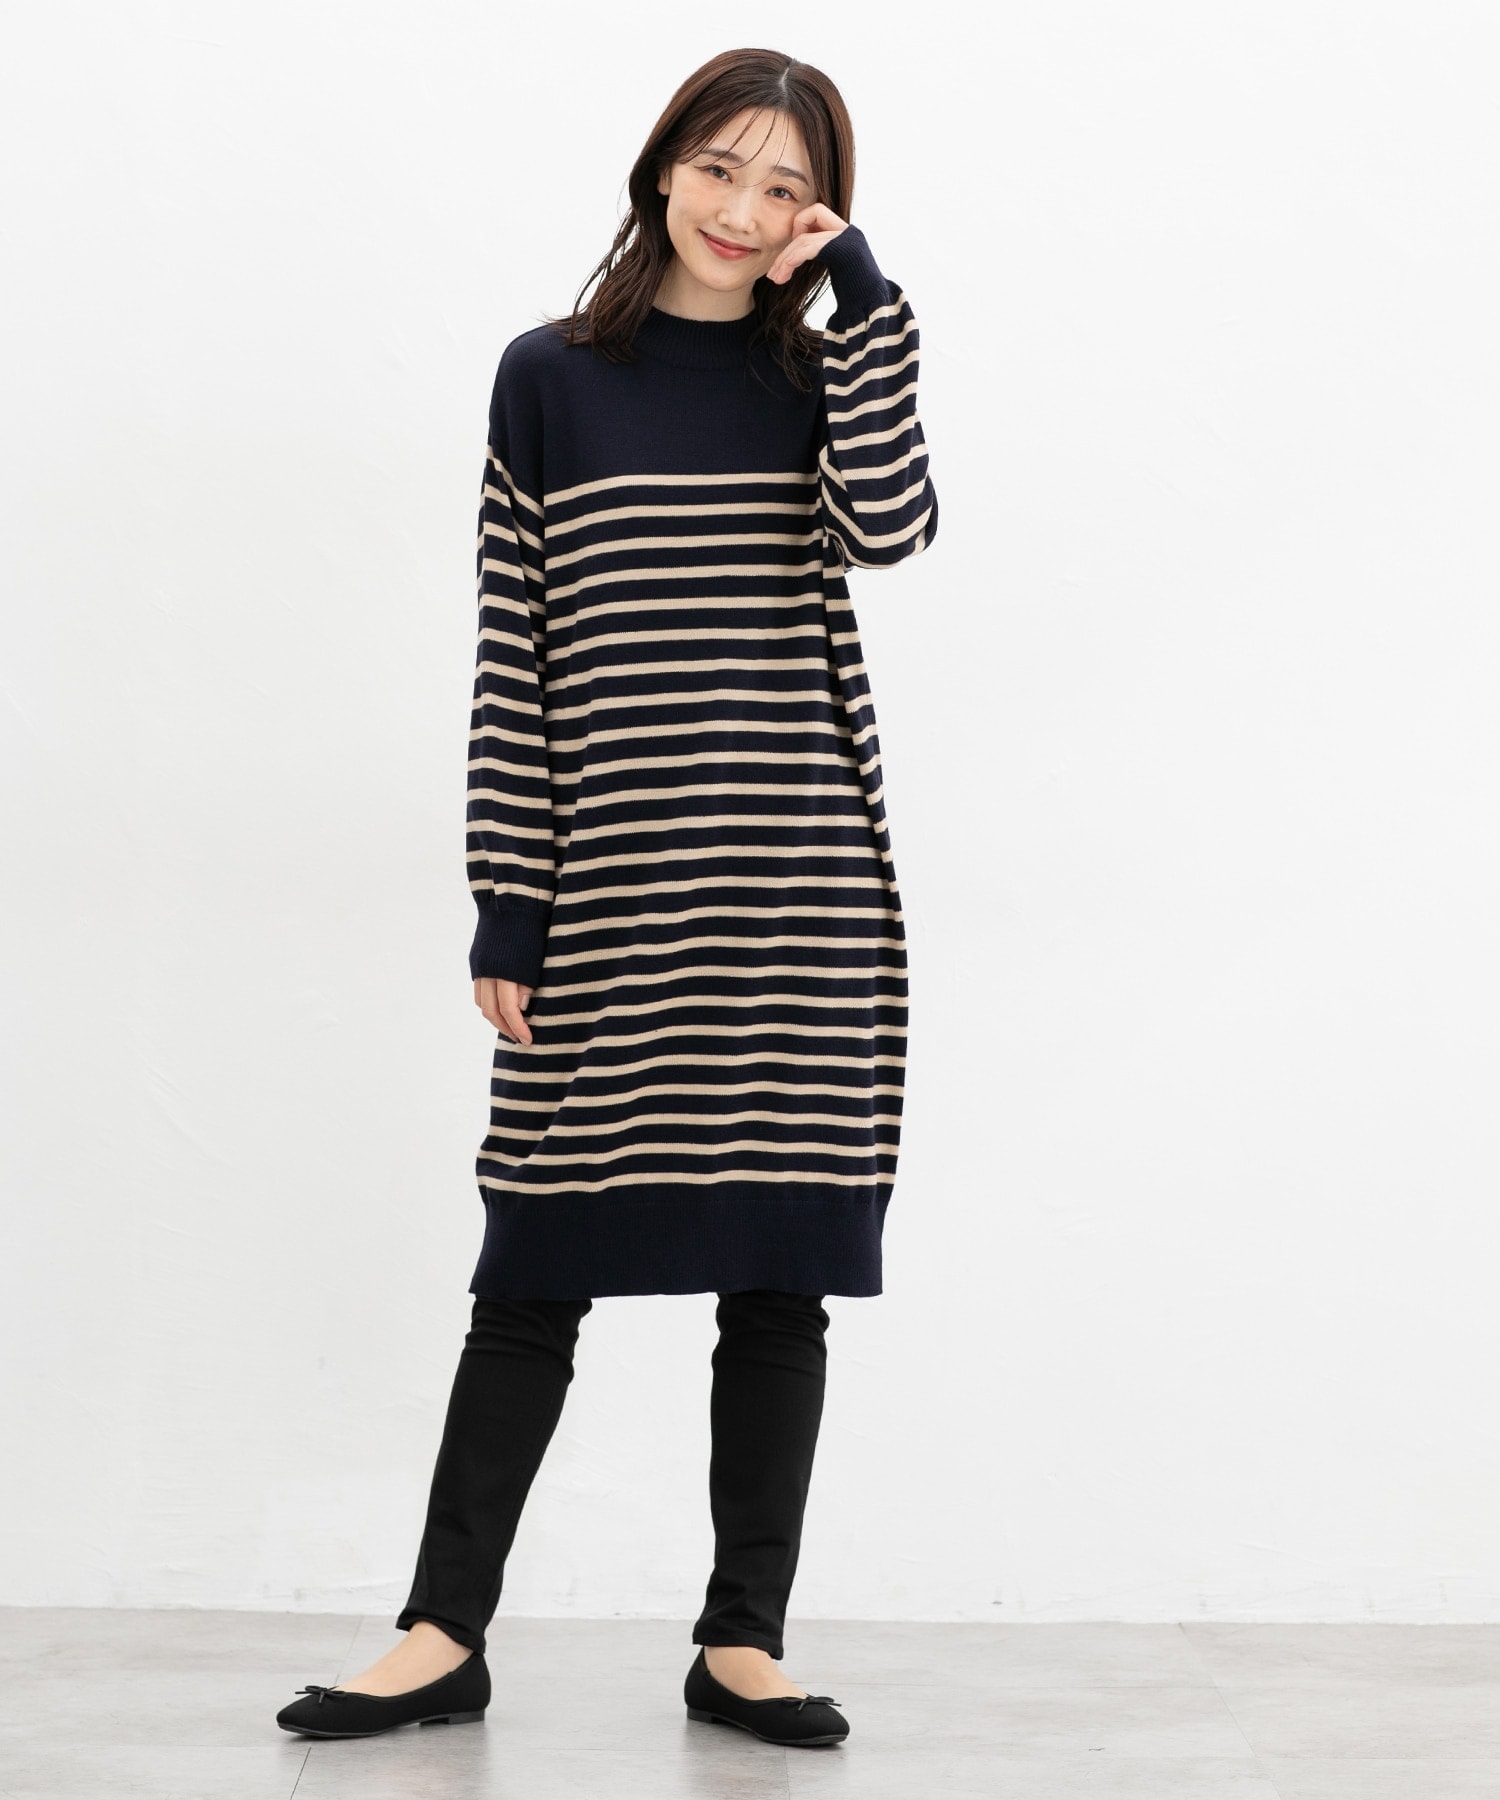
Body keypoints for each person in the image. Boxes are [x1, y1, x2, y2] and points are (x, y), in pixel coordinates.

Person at [276, 44, 937, 1750]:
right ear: (661, 169)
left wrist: (865, 304)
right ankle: (442, 1632)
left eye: (788, 190)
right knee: (532, 1268)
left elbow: (892, 526)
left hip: (792, 890)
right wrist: (512, 903)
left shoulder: (823, 375)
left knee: (778, 1275)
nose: (745, 213)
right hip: (610, 896)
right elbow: (516, 656)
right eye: (722, 170)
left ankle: (743, 1644)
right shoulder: (549, 380)